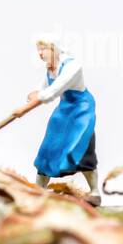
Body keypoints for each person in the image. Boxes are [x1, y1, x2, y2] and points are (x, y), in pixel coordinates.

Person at [23, 35, 100, 206]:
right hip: (64, 109)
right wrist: (32, 94)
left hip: (82, 110)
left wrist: (24, 109)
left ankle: (95, 192)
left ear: (54, 49)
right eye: (38, 50)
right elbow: (41, 88)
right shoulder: (50, 68)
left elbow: (52, 91)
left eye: (43, 49)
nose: (40, 54)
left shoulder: (72, 66)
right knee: (48, 148)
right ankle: (38, 191)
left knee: (82, 149)